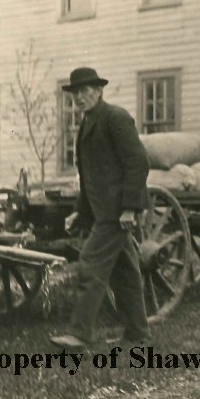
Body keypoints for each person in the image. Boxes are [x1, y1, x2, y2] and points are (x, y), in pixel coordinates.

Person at [50, 67, 151, 349]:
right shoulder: (88, 122)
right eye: (75, 93)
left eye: (85, 91)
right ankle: (138, 333)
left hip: (116, 211)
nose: (79, 98)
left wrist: (130, 208)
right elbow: (90, 177)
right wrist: (79, 212)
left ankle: (79, 333)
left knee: (90, 265)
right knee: (126, 271)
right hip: (103, 210)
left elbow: (137, 162)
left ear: (98, 91)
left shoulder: (115, 117)